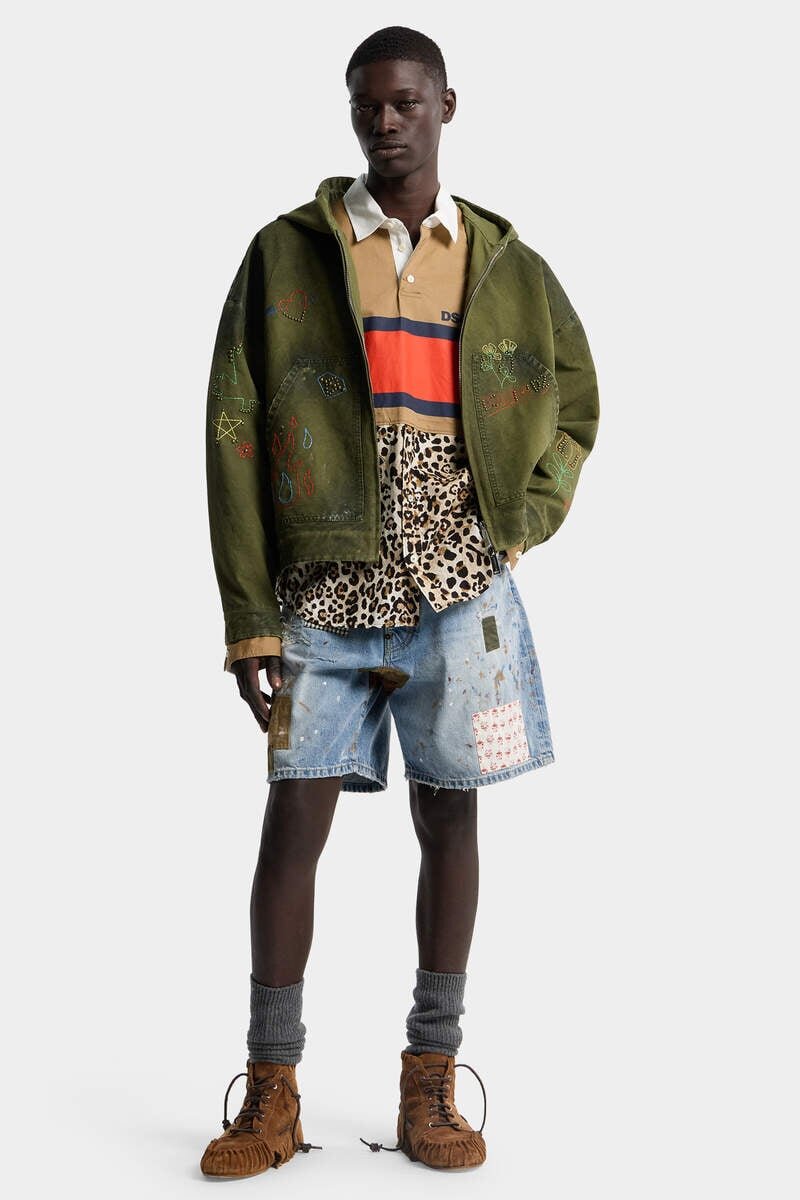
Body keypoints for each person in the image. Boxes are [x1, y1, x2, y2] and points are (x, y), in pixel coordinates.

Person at [200, 24, 599, 1179]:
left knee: (451, 815)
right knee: (294, 814)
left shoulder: (505, 265)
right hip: (322, 583)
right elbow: (233, 431)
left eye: (406, 101)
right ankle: (270, 1088)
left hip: (458, 587)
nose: (385, 120)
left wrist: (515, 520)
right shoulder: (287, 253)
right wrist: (249, 614)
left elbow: (575, 404)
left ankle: (431, 1077)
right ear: (351, 113)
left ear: (444, 106)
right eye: (366, 103)